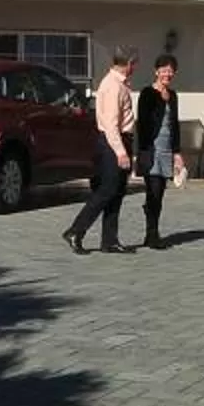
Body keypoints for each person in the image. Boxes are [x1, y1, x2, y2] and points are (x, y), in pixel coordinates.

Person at [63, 48, 140, 254]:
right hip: (112, 142)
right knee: (107, 190)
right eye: (135, 64)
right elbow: (111, 124)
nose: (136, 68)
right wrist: (120, 152)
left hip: (117, 141)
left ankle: (110, 239)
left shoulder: (118, 84)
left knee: (117, 192)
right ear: (128, 63)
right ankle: (76, 230)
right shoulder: (113, 86)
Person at [133, 55, 182, 248]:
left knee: (160, 192)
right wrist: (142, 151)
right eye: (164, 70)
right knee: (153, 191)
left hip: (167, 148)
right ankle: (152, 234)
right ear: (156, 71)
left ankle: (152, 232)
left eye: (170, 70)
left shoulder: (174, 95)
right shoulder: (147, 93)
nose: (167, 74)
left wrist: (177, 152)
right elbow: (143, 124)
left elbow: (175, 124)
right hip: (151, 148)